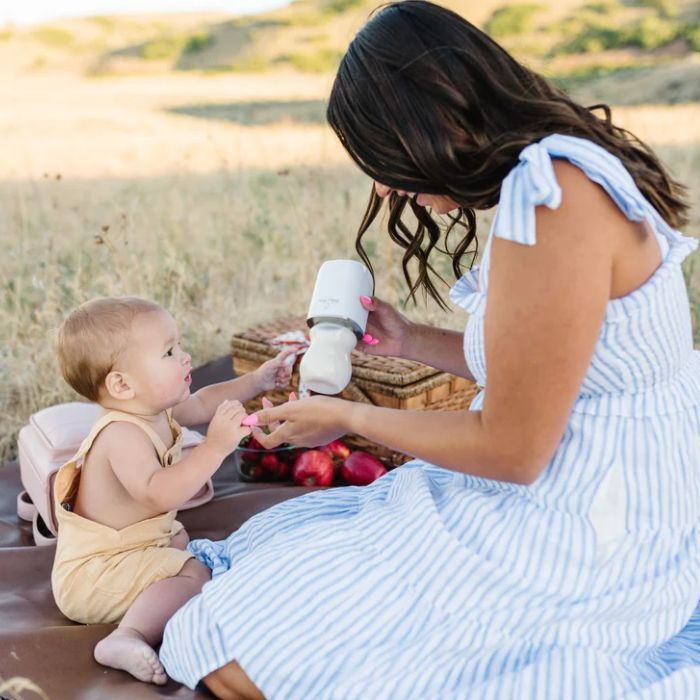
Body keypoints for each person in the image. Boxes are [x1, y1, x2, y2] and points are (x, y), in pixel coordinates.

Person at [160, 2, 700, 697]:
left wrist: (350, 419)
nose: (384, 186)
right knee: (267, 576)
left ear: (432, 120)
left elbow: (512, 450)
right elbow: (554, 367)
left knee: (236, 652)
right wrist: (411, 340)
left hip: (592, 521)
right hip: (600, 476)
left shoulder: (553, 200)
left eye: (384, 159)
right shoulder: (559, 173)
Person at [51, 296, 293, 685]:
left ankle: (151, 591)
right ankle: (126, 636)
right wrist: (215, 448)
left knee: (179, 536)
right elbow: (159, 494)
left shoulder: (152, 410)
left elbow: (203, 401)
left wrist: (256, 381)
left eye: (178, 345)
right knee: (196, 574)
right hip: (95, 575)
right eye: (168, 352)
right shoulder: (121, 434)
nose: (186, 357)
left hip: (131, 548)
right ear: (122, 384)